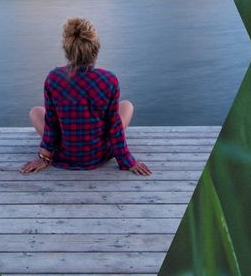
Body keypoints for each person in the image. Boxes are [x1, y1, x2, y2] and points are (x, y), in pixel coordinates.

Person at [20, 17, 152, 176]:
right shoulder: (109, 80)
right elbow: (114, 127)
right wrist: (127, 162)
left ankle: (55, 151)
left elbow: (51, 124)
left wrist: (44, 158)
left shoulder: (53, 78)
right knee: (127, 106)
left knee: (35, 111)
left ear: (67, 50)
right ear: (95, 49)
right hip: (97, 155)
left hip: (64, 154)